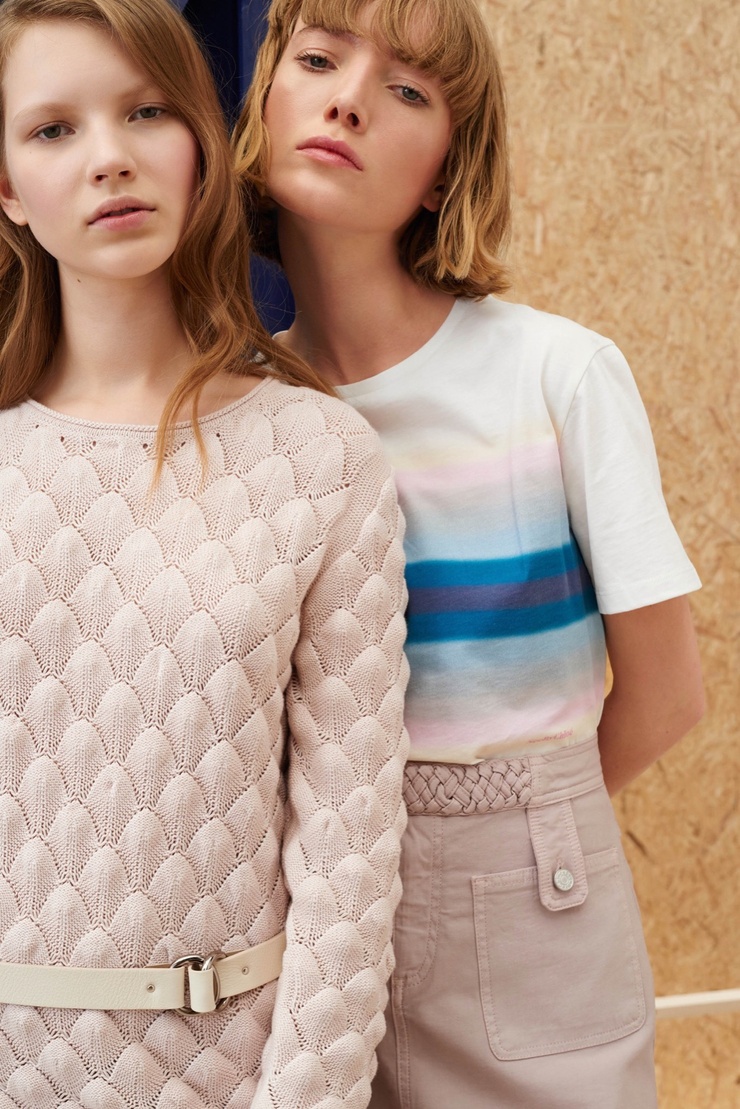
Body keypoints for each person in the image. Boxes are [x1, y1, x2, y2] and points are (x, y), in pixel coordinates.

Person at [233, 1, 706, 1105]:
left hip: (534, 914)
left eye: (407, 90)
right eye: (317, 58)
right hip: (303, 924)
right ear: (261, 105)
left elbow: (668, 693)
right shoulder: (237, 407)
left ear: (446, 171)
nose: (349, 100)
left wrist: (506, 823)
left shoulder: (554, 374)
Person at [0, 1, 409, 1107]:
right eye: (52, 129)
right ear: (7, 189)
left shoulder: (320, 459)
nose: (109, 158)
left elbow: (350, 853)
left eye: (146, 112)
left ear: (201, 147)